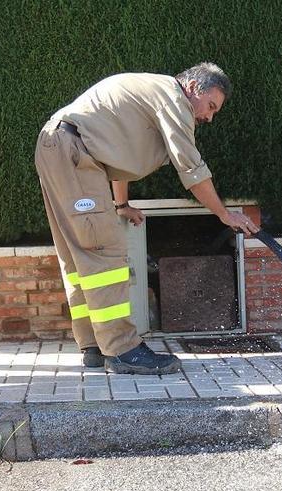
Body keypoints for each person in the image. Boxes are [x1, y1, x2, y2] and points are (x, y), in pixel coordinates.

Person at [34, 62, 259, 375]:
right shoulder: (173, 98)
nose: (208, 117)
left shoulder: (153, 92)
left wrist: (121, 203)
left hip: (64, 149)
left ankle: (94, 345)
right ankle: (123, 350)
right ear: (194, 87)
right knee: (103, 252)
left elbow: (114, 158)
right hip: (73, 153)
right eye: (210, 106)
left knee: (79, 256)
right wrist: (224, 214)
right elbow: (190, 168)